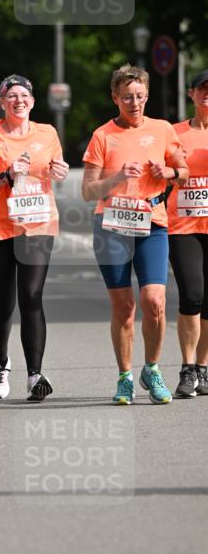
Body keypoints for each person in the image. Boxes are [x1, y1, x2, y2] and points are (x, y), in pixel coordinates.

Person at [82, 64, 188, 405]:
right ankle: (125, 377)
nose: (134, 103)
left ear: (147, 96)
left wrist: (169, 171)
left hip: (152, 222)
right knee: (125, 307)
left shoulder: (162, 129)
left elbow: (183, 172)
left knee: (155, 302)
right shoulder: (102, 136)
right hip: (112, 224)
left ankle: (152, 369)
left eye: (140, 96)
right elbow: (87, 191)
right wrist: (115, 178)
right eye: (127, 97)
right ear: (115, 98)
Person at [0, 74, 69, 402]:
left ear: (32, 100)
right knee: (3, 301)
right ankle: (0, 363)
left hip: (38, 224)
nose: (19, 100)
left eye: (24, 95)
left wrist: (59, 171)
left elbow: (54, 170)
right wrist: (6, 175)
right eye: (11, 96)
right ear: (2, 102)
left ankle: (34, 374)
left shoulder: (48, 133)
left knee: (31, 295)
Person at [167, 69, 208, 397]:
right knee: (192, 295)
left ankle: (203, 369)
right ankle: (187, 367)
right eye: (202, 89)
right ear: (191, 94)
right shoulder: (175, 132)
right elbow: (165, 172)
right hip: (183, 226)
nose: (207, 94)